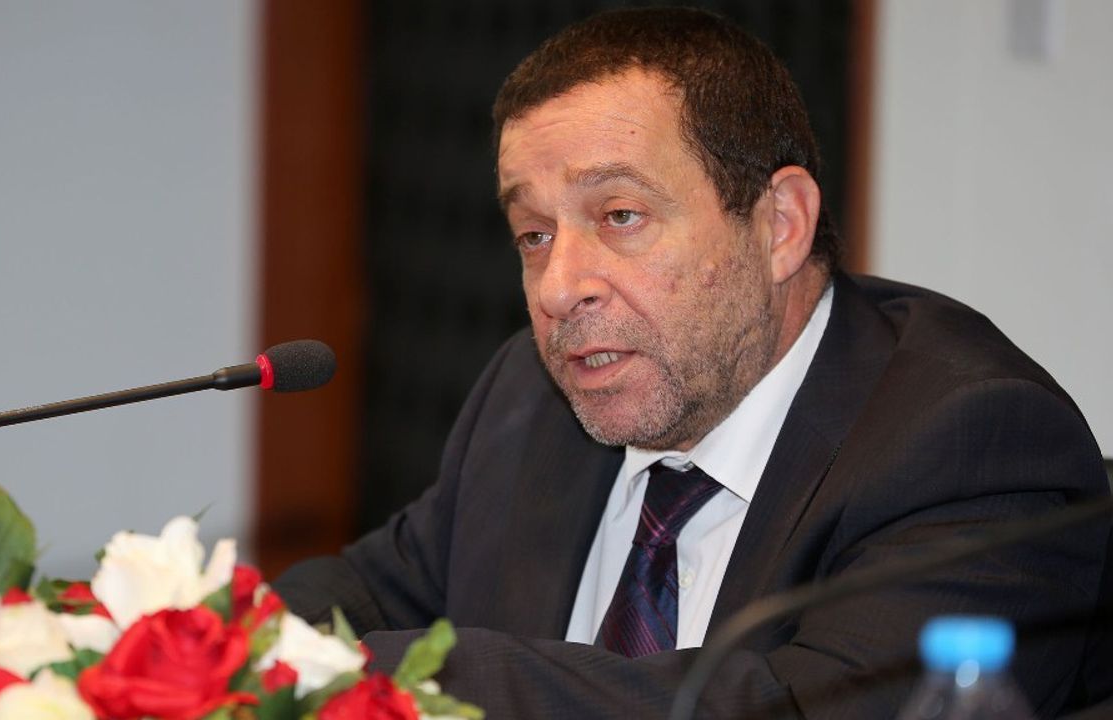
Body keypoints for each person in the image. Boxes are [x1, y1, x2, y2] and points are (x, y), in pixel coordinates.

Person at [274, 8, 1112, 718]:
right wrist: (220, 641)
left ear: (780, 225)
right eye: (534, 235)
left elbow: (793, 708)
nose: (559, 288)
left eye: (620, 215)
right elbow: (369, 597)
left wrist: (417, 679)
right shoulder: (530, 398)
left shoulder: (971, 445)